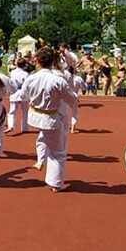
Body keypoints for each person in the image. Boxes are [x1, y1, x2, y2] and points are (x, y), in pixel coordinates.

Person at [21, 47, 79, 191]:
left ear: (37, 61)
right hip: (51, 118)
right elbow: (72, 99)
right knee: (58, 152)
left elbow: (23, 96)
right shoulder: (57, 81)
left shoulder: (31, 78)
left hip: (35, 117)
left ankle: (41, 160)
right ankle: (56, 183)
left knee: (44, 137)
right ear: (53, 61)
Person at [7, 57, 30, 135]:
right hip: (23, 92)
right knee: (25, 111)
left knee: (12, 111)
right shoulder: (26, 74)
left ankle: (11, 125)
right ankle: (25, 127)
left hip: (14, 91)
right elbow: (27, 85)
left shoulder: (12, 72)